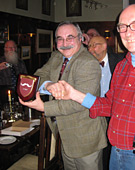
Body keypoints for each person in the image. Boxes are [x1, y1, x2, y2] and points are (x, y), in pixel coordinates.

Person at [44, 4, 135, 170]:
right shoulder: (123, 66)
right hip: (116, 154)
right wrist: (73, 94)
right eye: (122, 27)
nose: (128, 33)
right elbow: (110, 105)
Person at [19, 21, 107, 170]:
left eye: (70, 37)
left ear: (80, 38)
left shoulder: (88, 62)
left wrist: (44, 107)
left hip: (85, 138)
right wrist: (48, 85)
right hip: (64, 135)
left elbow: (79, 102)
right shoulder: (56, 57)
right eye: (60, 38)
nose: (64, 43)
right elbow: (38, 75)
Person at [88, 35, 124, 170]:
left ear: (104, 47)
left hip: (115, 111)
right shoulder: (87, 64)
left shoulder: (120, 61)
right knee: (99, 147)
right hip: (97, 111)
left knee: (112, 147)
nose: (90, 49)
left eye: (94, 45)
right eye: (89, 46)